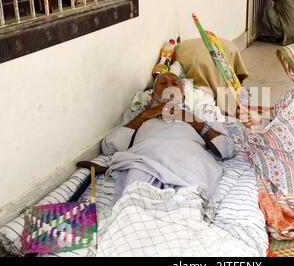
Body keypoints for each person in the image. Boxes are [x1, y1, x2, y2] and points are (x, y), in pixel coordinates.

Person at [78, 72, 235, 204]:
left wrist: (196, 123)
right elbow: (108, 147)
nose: (169, 87)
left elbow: (227, 149)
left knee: (190, 200)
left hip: (189, 161)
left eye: (175, 83)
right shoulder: (137, 114)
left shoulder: (200, 115)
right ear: (152, 96)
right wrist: (145, 116)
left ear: (184, 96)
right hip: (145, 161)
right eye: (163, 83)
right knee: (134, 201)